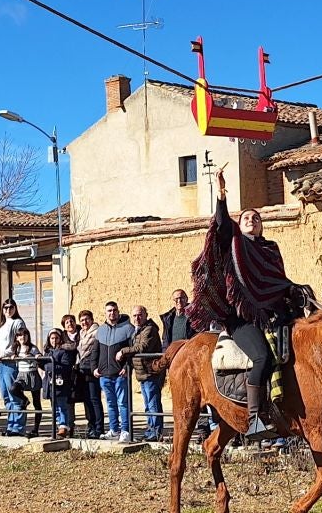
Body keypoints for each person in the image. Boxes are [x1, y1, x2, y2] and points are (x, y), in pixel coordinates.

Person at [188, 168, 303, 441]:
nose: (251, 220)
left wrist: (295, 289)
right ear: (241, 226)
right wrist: (221, 193)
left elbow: (276, 281)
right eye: (247, 218)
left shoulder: (271, 249)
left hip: (271, 315)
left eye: (256, 218)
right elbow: (222, 223)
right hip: (241, 319)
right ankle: (254, 419)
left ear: (262, 225)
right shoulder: (234, 244)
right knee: (262, 356)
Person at [95, 301, 136, 442]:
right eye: (109, 311)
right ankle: (114, 430)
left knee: (123, 404)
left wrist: (126, 368)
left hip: (120, 374)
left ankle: (125, 431)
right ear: (105, 313)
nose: (112, 313)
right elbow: (95, 351)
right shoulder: (100, 330)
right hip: (104, 375)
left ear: (118, 311)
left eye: (114, 310)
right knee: (110, 404)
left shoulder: (128, 328)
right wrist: (94, 367)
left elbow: (133, 352)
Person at [130, 305, 165, 441]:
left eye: (140, 315)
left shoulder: (149, 329)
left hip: (151, 372)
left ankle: (156, 432)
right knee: (147, 404)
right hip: (142, 373)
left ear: (146, 315)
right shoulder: (137, 330)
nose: (137, 318)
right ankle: (151, 429)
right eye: (134, 316)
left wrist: (124, 351)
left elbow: (142, 347)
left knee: (153, 403)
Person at [74, 310, 103, 438]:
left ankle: (98, 427)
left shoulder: (97, 332)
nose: (84, 322)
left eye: (87, 319)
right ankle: (91, 426)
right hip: (82, 369)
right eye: (82, 320)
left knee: (94, 399)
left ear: (92, 320)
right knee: (87, 400)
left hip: (92, 369)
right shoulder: (81, 333)